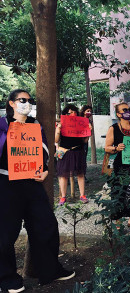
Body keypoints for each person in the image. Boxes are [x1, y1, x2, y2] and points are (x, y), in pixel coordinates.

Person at [0, 89, 74, 293]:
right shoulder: (2, 124)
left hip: (32, 183)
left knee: (46, 224)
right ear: (12, 103)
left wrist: (46, 171)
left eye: (29, 100)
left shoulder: (36, 124)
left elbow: (45, 150)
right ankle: (7, 279)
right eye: (22, 100)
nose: (27, 103)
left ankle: (50, 270)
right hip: (6, 183)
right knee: (5, 233)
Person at [104, 102, 130, 226]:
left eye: (129, 110)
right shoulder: (113, 128)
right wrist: (116, 148)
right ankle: (117, 221)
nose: (127, 112)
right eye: (124, 110)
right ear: (118, 114)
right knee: (118, 192)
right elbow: (106, 148)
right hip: (118, 166)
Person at [56, 104, 90, 205]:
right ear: (65, 114)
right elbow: (56, 140)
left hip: (78, 151)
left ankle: (82, 195)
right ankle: (63, 197)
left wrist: (88, 132)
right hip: (64, 151)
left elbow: (84, 141)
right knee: (63, 174)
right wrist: (58, 129)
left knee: (80, 173)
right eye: (69, 112)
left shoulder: (81, 123)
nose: (72, 114)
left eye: (74, 112)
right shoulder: (60, 124)